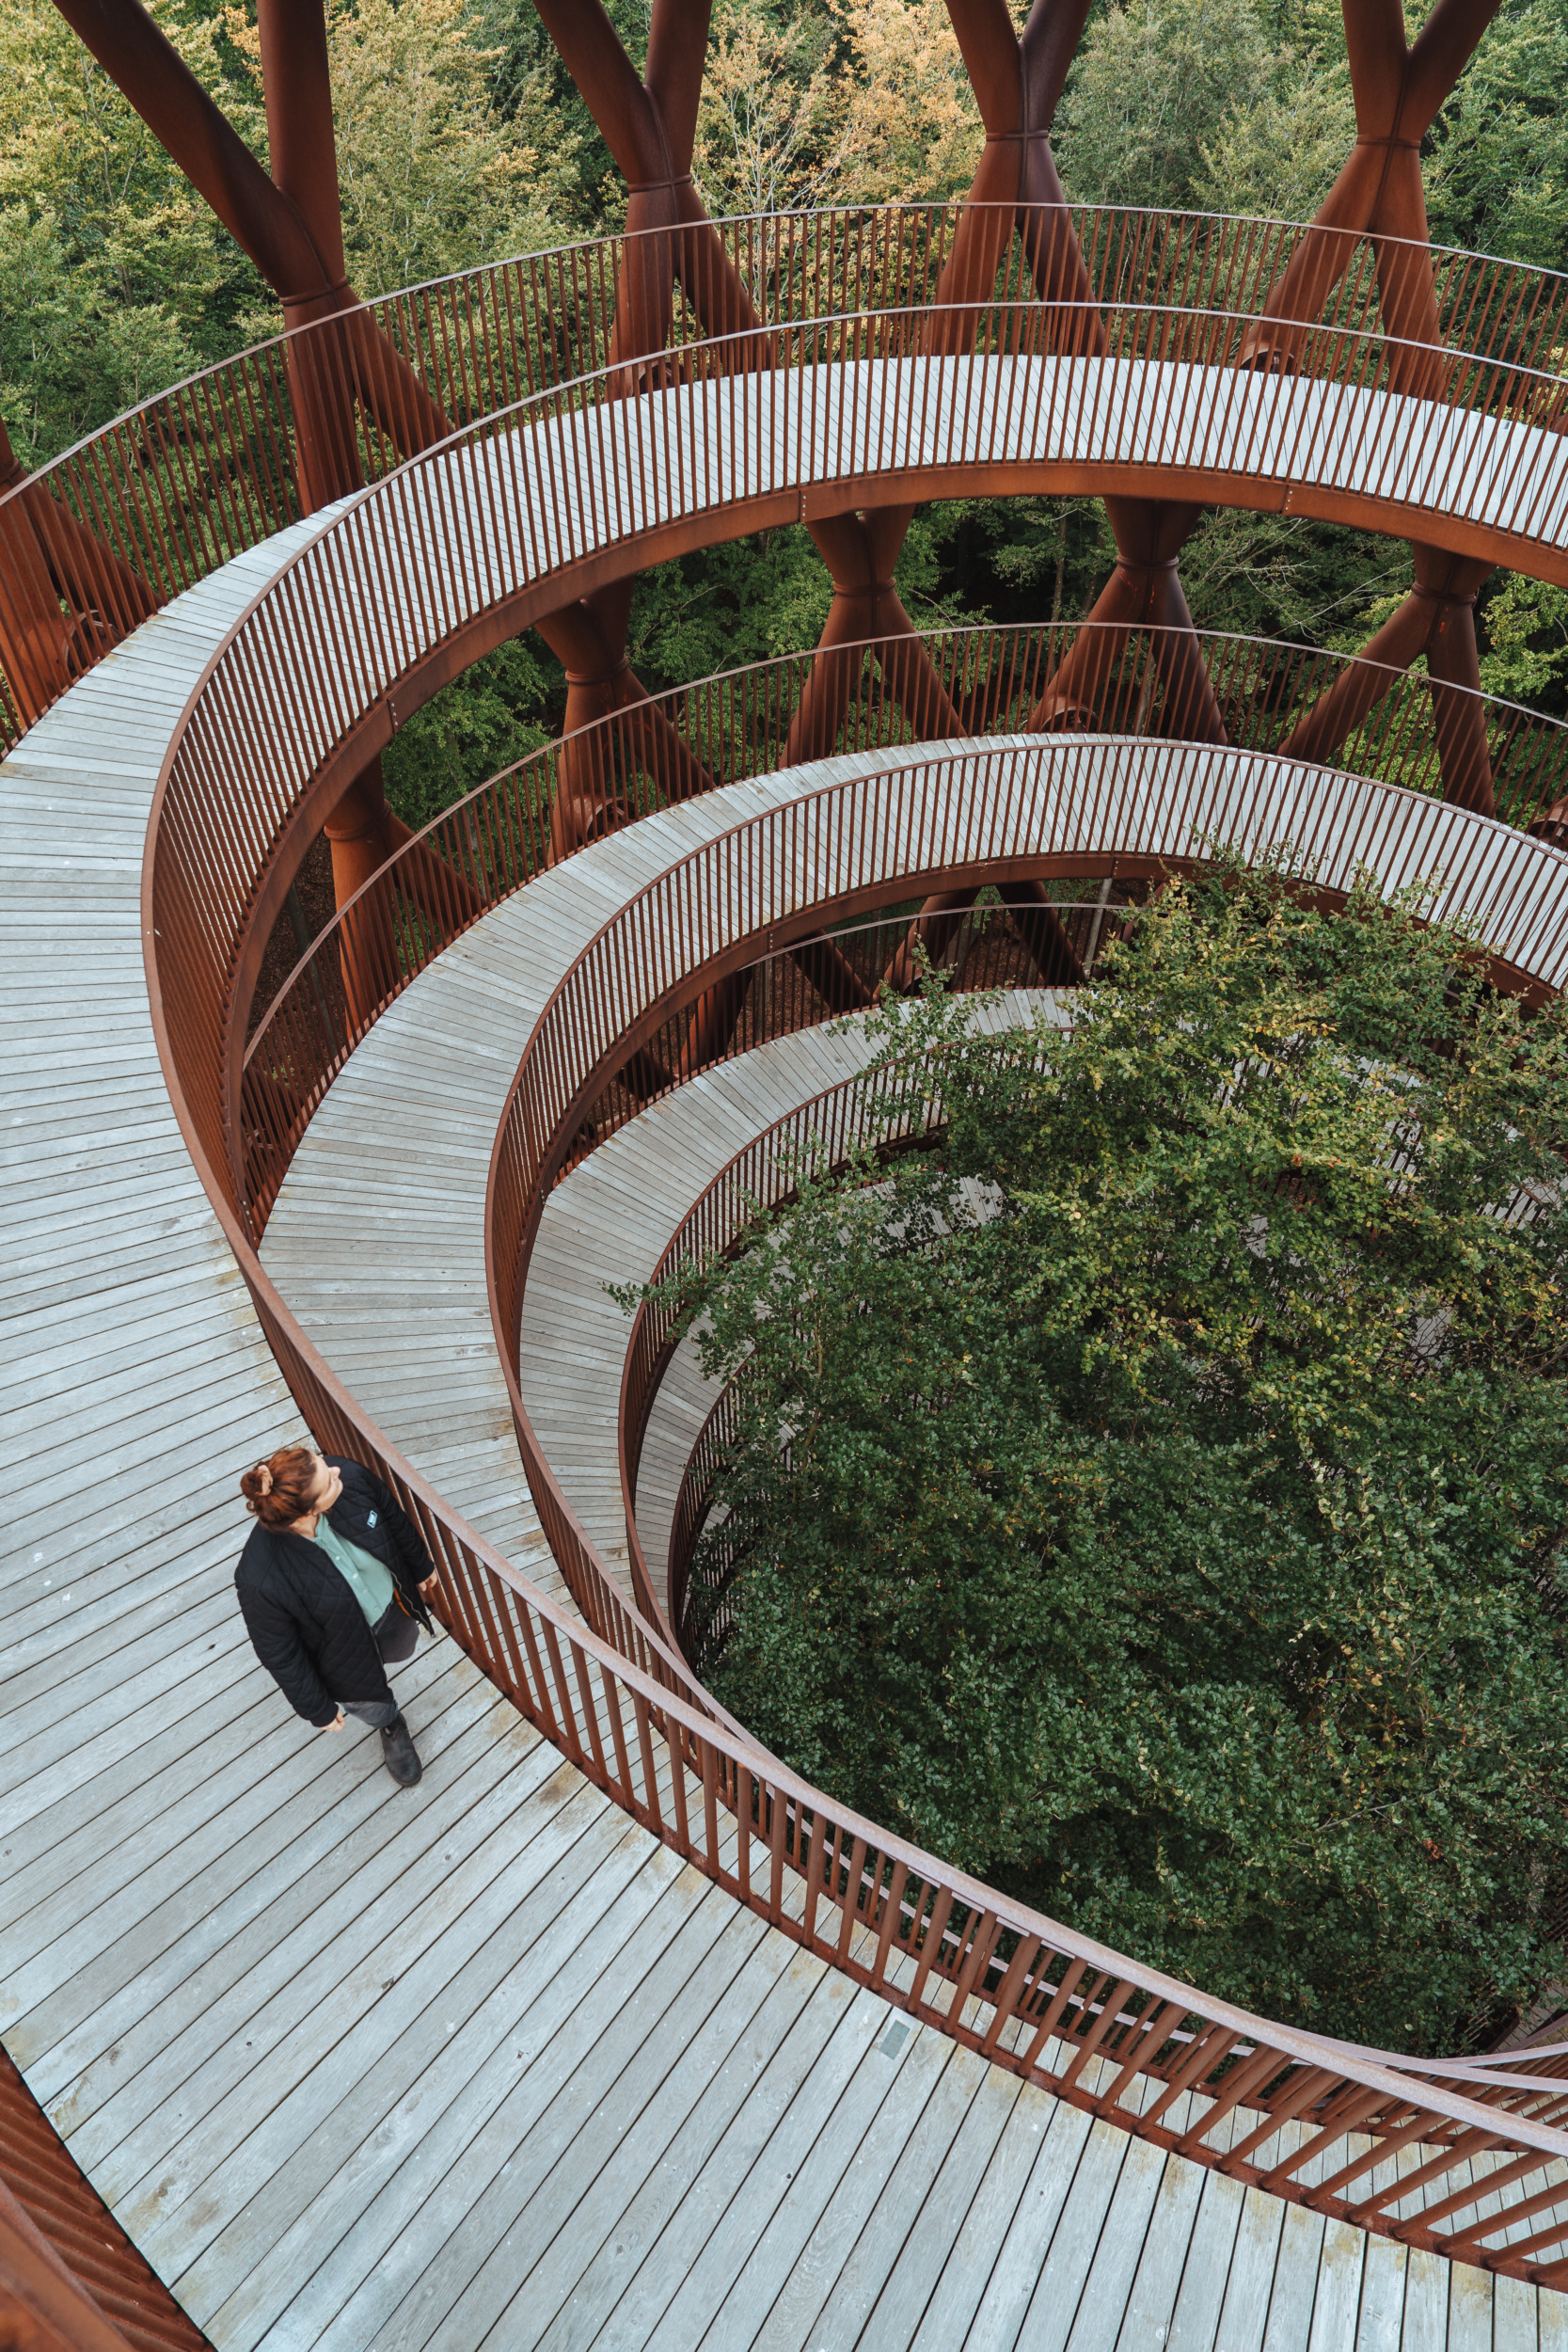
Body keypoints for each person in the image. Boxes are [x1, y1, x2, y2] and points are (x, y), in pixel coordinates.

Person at [237, 1445, 440, 1786]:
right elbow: (279, 1651)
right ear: (307, 1512)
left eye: (321, 1462)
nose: (335, 1472)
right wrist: (316, 1707)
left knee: (402, 1647)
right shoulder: (259, 1578)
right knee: (368, 1699)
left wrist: (419, 1563)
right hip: (338, 1651)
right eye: (327, 1480)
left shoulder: (351, 1478)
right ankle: (390, 1725)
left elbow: (391, 1516)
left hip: (389, 1610)